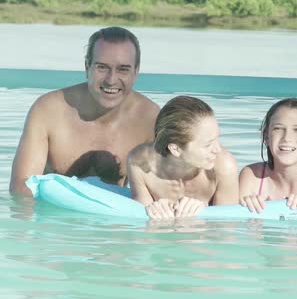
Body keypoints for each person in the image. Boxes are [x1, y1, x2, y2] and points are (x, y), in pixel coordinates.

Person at [10, 26, 159, 197]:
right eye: (102, 67)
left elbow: (160, 191)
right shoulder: (48, 110)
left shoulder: (150, 118)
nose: (111, 80)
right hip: (54, 218)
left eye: (123, 69)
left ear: (136, 72)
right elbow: (21, 187)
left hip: (112, 221)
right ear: (87, 67)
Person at [127, 95, 239, 220]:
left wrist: (203, 216)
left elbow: (227, 230)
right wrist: (154, 210)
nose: (218, 149)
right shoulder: (140, 164)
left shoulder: (224, 166)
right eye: (208, 145)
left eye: (217, 138)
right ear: (176, 149)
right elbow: (139, 227)